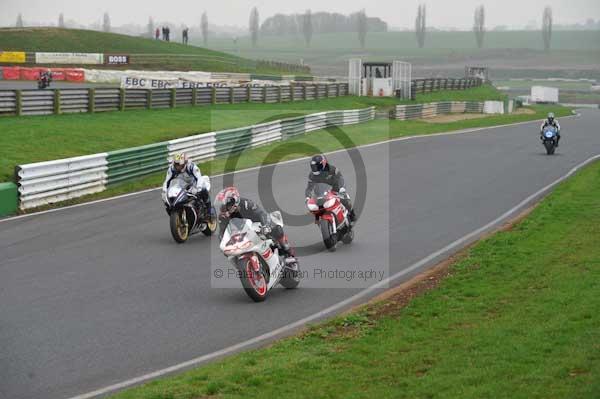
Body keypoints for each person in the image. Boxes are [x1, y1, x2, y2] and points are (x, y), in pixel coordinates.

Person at [215, 186, 297, 263]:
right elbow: (222, 233)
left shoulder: (246, 204)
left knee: (276, 229)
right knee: (232, 256)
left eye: (226, 205)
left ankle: (288, 251)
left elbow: (261, 214)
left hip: (257, 227)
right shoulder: (223, 216)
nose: (224, 208)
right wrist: (223, 246)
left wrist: (266, 226)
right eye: (222, 206)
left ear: (234, 199)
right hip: (242, 235)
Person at [304, 154, 356, 224]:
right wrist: (307, 197)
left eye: (316, 166)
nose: (315, 169)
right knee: (316, 211)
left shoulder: (332, 169)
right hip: (321, 194)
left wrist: (342, 188)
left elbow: (340, 178)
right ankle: (323, 224)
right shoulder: (312, 175)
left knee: (346, 200)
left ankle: (351, 213)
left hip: (335, 190)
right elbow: (309, 188)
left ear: (323, 164)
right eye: (313, 167)